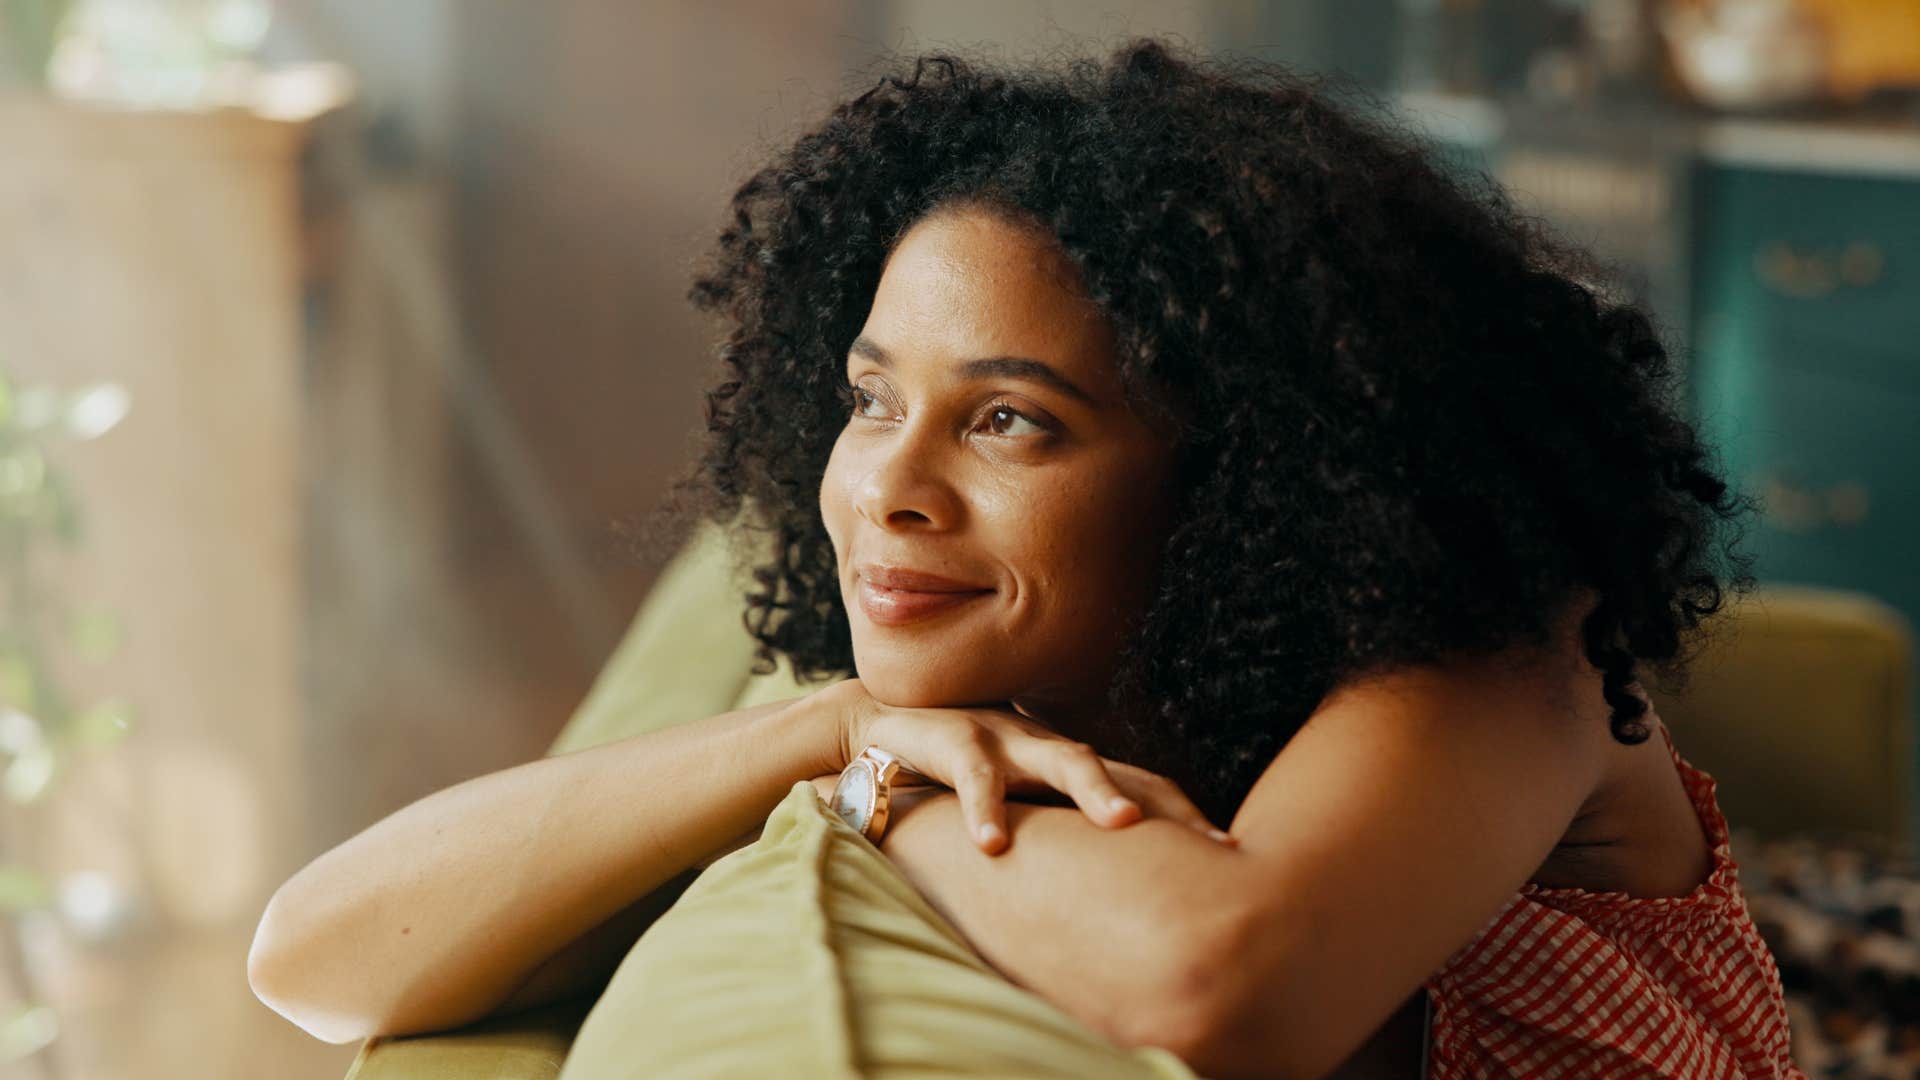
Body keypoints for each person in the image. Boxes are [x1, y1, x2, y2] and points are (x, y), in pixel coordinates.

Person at [248, 37, 1802, 1078]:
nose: (887, 490)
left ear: (1246, 470)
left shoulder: (1508, 656)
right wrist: (828, 730)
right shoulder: (1002, 688)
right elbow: (314, 961)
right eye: (870, 402)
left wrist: (877, 798)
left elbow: (1226, 983)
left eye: (1009, 422)